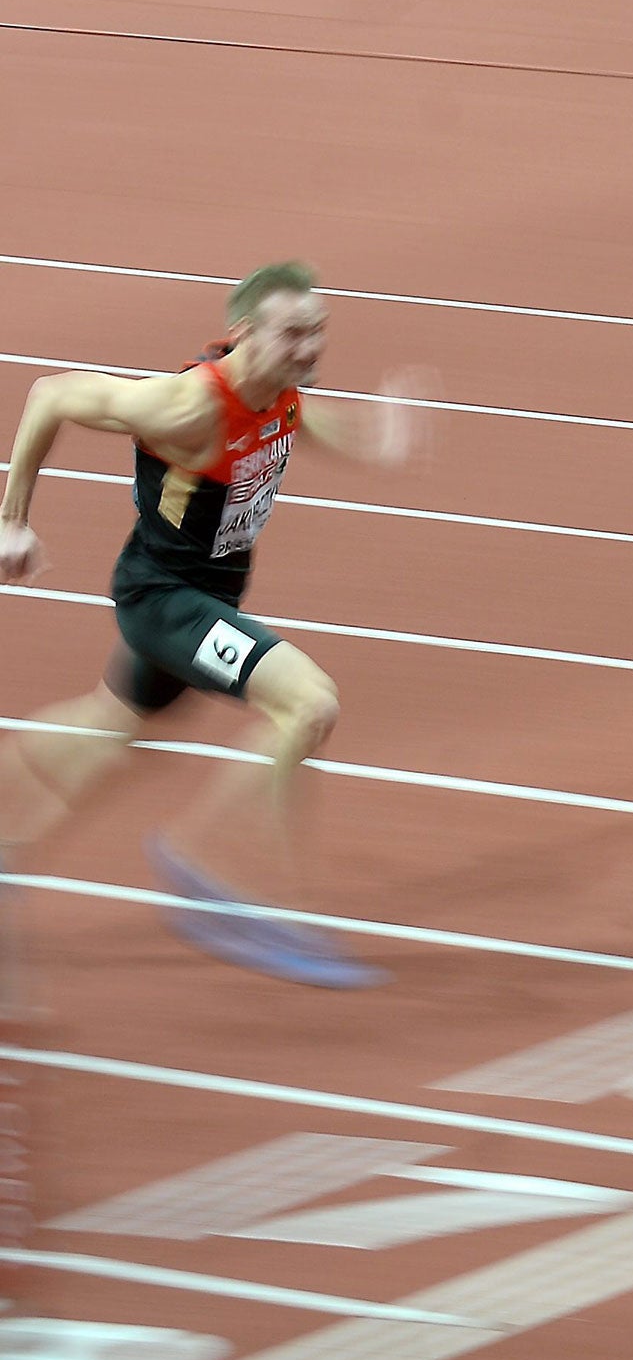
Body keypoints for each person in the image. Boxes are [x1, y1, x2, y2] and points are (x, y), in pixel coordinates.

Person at [0, 263, 426, 987]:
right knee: (309, 704)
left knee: (112, 732)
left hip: (203, 597)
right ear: (242, 336)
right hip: (165, 599)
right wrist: (11, 522)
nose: (310, 347)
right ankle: (205, 863)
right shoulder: (186, 406)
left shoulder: (279, 390)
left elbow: (295, 418)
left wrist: (372, 440)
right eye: (294, 333)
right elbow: (53, 395)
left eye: (318, 330)